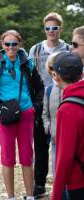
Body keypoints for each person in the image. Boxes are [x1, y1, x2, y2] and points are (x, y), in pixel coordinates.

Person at [0, 30, 44, 200]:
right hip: (5, 116)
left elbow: (40, 87)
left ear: (19, 45)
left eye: (14, 44)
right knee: (7, 156)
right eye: (7, 44)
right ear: (2, 45)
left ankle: (30, 196)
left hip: (26, 113)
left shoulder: (27, 64)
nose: (11, 47)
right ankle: (11, 197)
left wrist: (35, 107)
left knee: (26, 156)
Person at [29, 12, 69, 198]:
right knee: (40, 147)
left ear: (60, 28)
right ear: (44, 29)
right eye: (48, 28)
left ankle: (63, 184)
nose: (51, 31)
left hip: (62, 101)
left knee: (62, 147)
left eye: (55, 28)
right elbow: (29, 76)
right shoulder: (35, 50)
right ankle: (39, 185)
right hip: (39, 101)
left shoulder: (68, 49)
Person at [50, 52, 84, 200]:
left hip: (79, 181)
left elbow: (65, 156)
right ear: (82, 74)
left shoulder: (67, 109)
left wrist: (56, 195)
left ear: (56, 76)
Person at [42, 53, 68, 200]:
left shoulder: (73, 88)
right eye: (51, 67)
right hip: (55, 140)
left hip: (72, 140)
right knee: (57, 174)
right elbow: (45, 114)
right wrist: (48, 129)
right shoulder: (49, 90)